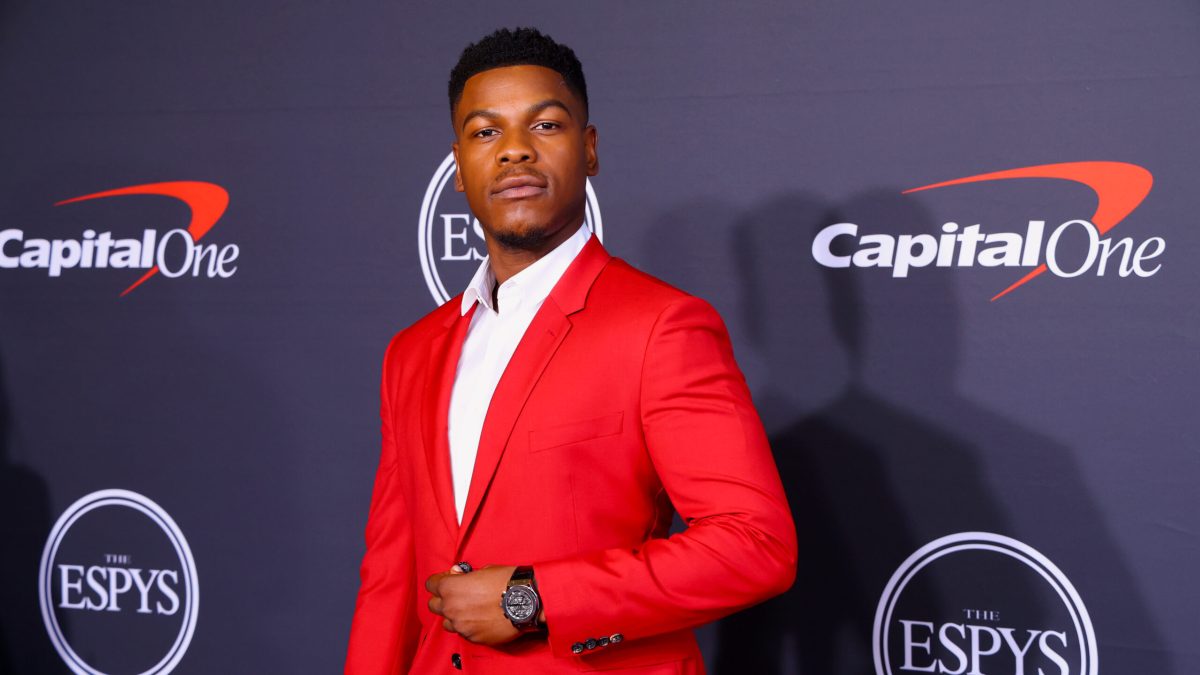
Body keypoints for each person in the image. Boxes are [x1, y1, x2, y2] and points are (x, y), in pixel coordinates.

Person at [345, 27, 796, 674]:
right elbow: (390, 577)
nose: (514, 152)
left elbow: (755, 545)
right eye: (485, 132)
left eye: (546, 125)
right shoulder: (411, 353)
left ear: (589, 150)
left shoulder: (661, 326)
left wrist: (534, 598)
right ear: (458, 166)